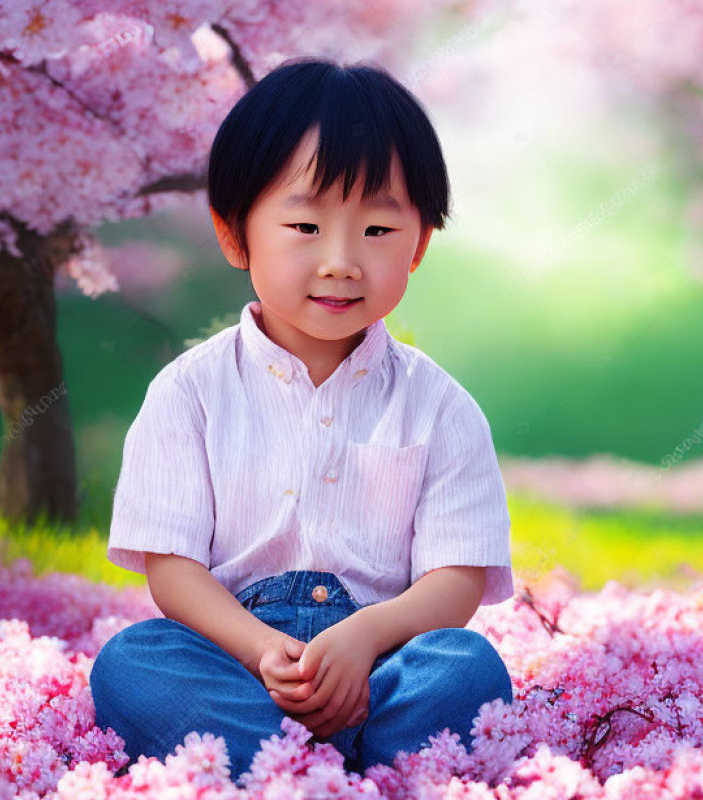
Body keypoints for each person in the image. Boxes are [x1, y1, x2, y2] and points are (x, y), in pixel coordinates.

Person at [89, 55, 516, 786]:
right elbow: (173, 570)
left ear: (419, 245)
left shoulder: (440, 405)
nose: (342, 261)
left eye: (379, 229)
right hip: (237, 665)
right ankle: (331, 769)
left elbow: (455, 582)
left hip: (382, 668)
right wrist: (261, 650)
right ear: (234, 235)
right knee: (133, 663)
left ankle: (294, 773)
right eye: (305, 225)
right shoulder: (187, 392)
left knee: (466, 666)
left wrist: (363, 640)